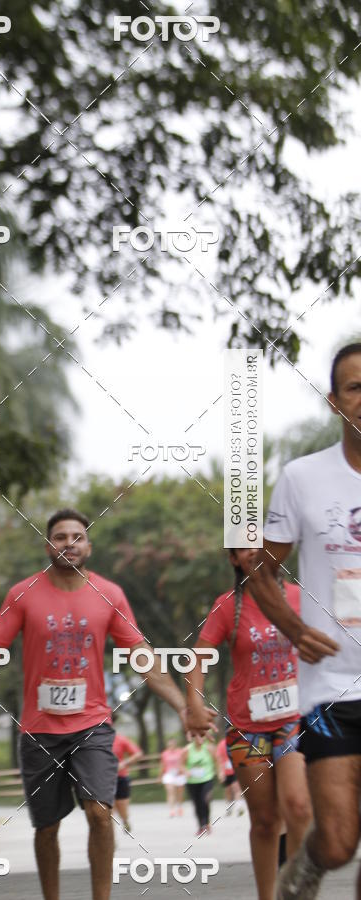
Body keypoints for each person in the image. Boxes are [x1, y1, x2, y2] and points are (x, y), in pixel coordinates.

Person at [0, 508, 216, 900]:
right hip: (39, 730)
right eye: (60, 536)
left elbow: (143, 658)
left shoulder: (110, 594)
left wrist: (182, 707)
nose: (69, 542)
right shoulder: (22, 593)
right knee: (46, 827)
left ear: (89, 545)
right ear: (48, 544)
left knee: (101, 814)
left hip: (92, 725)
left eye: (77, 536)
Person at [247, 342, 361, 900]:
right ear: (335, 402)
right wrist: (292, 631)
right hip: (331, 686)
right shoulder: (302, 478)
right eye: (355, 387)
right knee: (338, 841)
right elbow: (258, 572)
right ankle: (309, 866)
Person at [187, 547, 312, 900]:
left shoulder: (300, 597)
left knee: (299, 807)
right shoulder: (227, 605)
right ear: (233, 559)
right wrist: (194, 704)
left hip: (294, 720)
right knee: (266, 821)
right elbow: (197, 658)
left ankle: (298, 888)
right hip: (248, 728)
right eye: (244, 548)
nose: (255, 552)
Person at [110, 715, 142, 833]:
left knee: (121, 806)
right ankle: (110, 839)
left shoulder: (121, 739)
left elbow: (137, 754)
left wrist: (124, 763)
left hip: (120, 777)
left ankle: (125, 820)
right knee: (108, 810)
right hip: (104, 779)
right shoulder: (94, 740)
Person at [184, 734, 216, 836]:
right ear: (193, 738)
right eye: (198, 737)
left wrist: (220, 772)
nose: (200, 739)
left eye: (202, 736)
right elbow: (180, 764)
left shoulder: (209, 748)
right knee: (197, 803)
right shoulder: (187, 750)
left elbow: (217, 761)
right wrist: (185, 771)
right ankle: (201, 826)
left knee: (205, 799)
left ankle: (207, 823)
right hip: (192, 781)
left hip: (207, 778)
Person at [157, 736, 186, 817]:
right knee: (170, 792)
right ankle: (172, 810)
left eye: (173, 744)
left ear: (175, 744)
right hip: (169, 774)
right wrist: (160, 776)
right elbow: (162, 765)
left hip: (179, 774)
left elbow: (184, 762)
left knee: (180, 793)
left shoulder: (180, 752)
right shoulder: (165, 754)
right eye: (170, 744)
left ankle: (179, 806)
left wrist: (184, 771)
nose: (171, 746)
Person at [216, 736, 243, 816]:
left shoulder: (237, 742)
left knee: (236, 788)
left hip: (236, 770)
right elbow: (218, 759)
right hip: (226, 771)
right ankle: (230, 807)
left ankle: (239, 807)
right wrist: (220, 772)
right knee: (228, 791)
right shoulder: (221, 744)